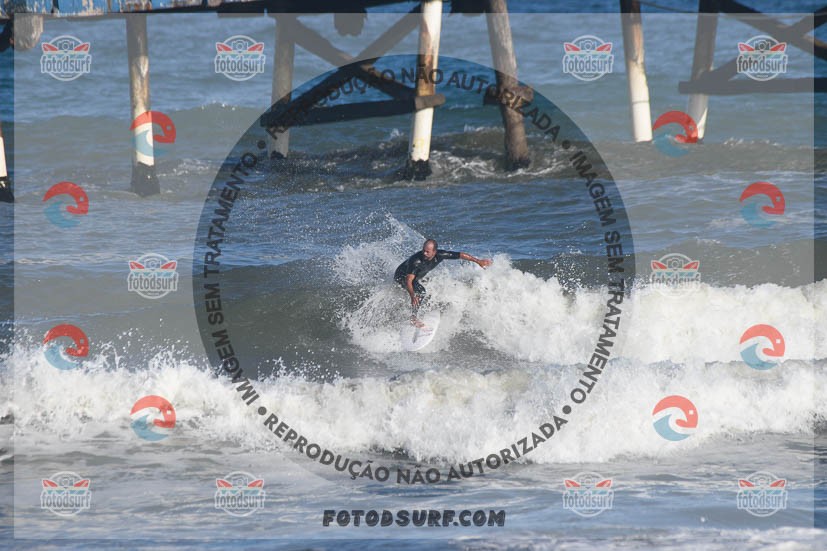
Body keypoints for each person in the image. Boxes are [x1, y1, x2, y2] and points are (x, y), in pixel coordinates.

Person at [394, 239, 492, 322]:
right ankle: (413, 318)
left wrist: (478, 261)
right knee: (421, 292)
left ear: (434, 252)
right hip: (401, 276)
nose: (424, 253)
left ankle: (421, 306)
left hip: (415, 277)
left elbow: (460, 255)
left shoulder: (440, 255)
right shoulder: (416, 261)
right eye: (423, 250)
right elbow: (408, 281)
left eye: (427, 252)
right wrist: (412, 295)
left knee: (428, 283)